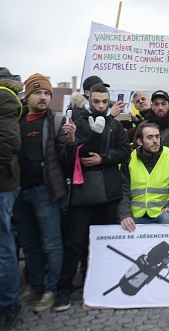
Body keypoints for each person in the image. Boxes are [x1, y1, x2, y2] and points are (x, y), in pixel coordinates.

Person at [54, 84, 131, 312]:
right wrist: (70, 140)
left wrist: (103, 158)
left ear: (108, 102)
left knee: (102, 244)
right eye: (96, 101)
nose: (100, 106)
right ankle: (64, 289)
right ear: (89, 100)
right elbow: (65, 160)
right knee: (75, 243)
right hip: (82, 193)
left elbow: (125, 152)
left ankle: (97, 285)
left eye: (103, 102)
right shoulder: (76, 123)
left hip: (108, 193)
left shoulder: (114, 125)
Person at [14, 74, 67, 313]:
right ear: (27, 96)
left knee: (52, 243)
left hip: (46, 192)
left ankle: (51, 289)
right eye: (38, 93)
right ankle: (35, 286)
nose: (43, 97)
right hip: (18, 192)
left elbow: (66, 160)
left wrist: (71, 141)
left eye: (46, 93)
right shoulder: (16, 121)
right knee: (29, 243)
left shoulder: (56, 121)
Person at [118, 123, 169, 231]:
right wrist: (125, 215)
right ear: (139, 142)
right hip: (135, 215)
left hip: (163, 214)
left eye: (157, 136)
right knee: (124, 224)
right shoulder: (129, 160)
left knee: (167, 219)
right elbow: (123, 191)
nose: (155, 141)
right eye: (150, 137)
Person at [0, 66, 24, 331]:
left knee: (1, 247)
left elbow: (6, 142)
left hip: (1, 185)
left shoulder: (2, 96)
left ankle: (7, 303)